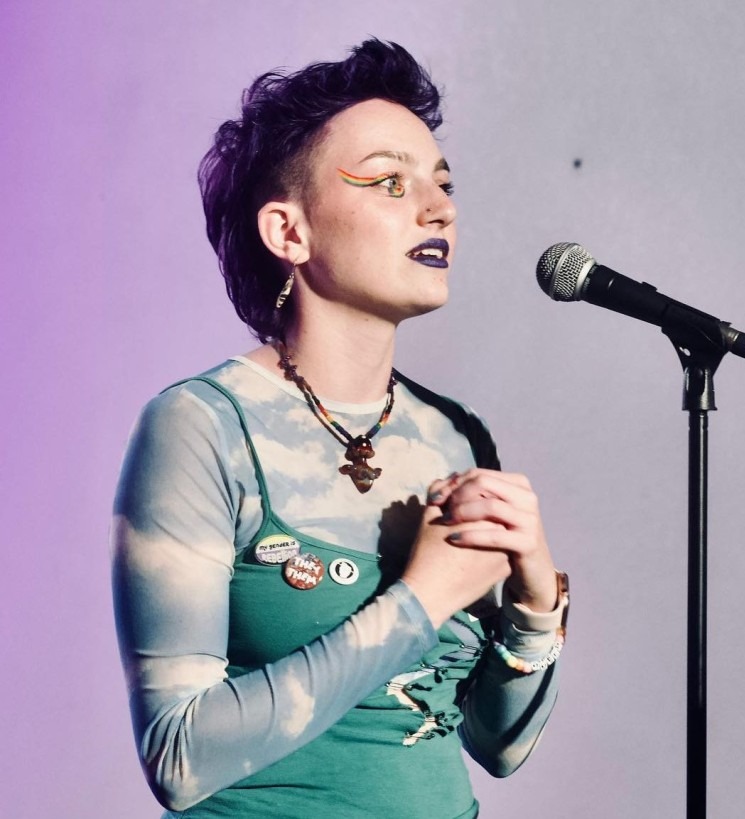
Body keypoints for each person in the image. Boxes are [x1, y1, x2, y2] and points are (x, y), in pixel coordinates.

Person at [111, 39, 567, 819]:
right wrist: (420, 599)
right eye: (390, 181)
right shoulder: (202, 427)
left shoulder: (456, 436)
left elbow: (500, 745)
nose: (439, 208)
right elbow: (178, 756)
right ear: (289, 232)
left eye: (442, 183)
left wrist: (535, 603)